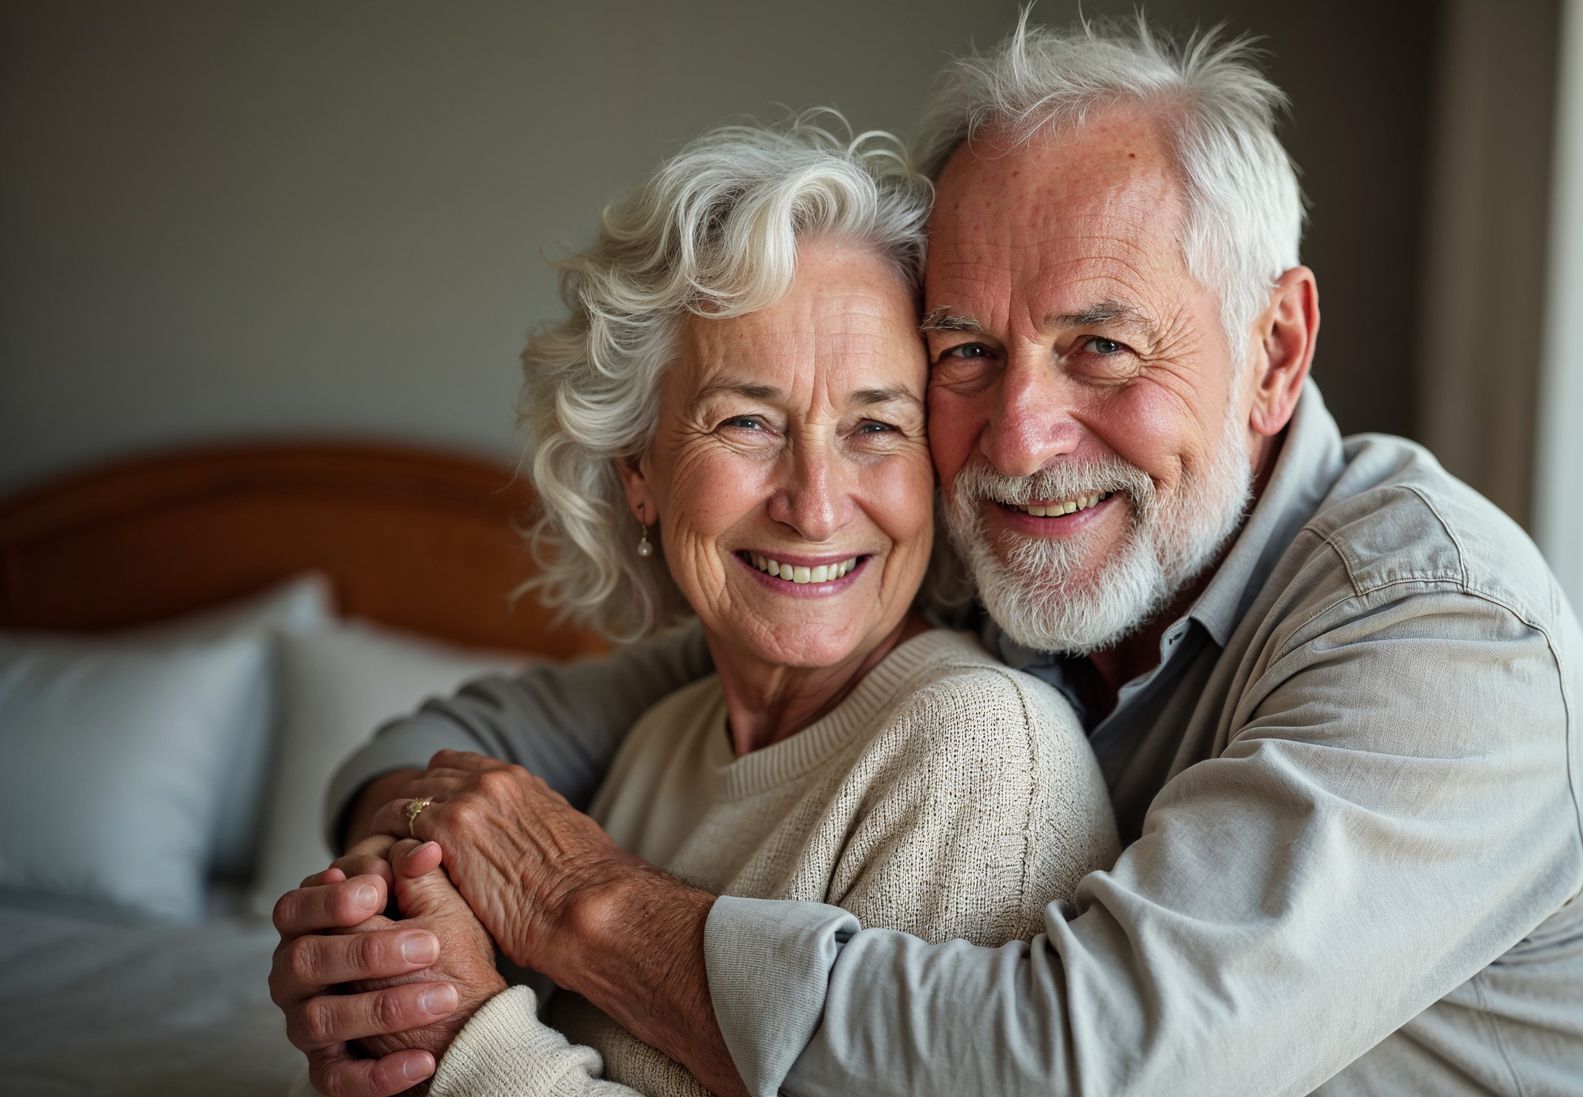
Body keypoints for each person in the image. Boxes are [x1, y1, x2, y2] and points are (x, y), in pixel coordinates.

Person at [277, 14, 1583, 1097]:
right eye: (965, 351)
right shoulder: (1006, 569)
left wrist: (576, 913)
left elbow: (1083, 1065)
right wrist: (395, 917)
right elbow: (505, 732)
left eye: (1102, 345)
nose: (1018, 435)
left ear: (1274, 349)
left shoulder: (1442, 635)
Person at [268, 117, 1118, 1096]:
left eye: (876, 426)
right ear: (639, 470)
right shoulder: (662, 737)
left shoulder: (980, 749)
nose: (815, 505)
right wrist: (390, 956)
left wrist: (464, 1039)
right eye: (747, 420)